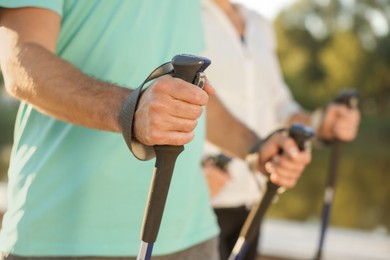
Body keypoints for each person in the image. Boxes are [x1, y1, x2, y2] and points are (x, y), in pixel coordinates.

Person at [0, 1, 312, 259]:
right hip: (64, 238)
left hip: (193, 237)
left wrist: (255, 148)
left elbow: (189, 94)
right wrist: (129, 108)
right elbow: (21, 59)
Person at [201, 0, 361, 259]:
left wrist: (321, 124)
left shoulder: (260, 24)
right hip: (202, 201)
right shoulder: (184, 14)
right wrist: (188, 176)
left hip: (255, 197)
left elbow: (280, 106)